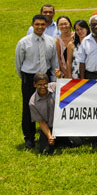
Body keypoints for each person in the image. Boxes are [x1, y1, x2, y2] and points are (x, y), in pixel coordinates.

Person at [15, 14, 59, 149]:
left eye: (42, 24)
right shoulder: (23, 42)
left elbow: (54, 62)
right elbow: (18, 63)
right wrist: (26, 79)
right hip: (29, 78)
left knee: (47, 107)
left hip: (45, 79)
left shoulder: (51, 41)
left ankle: (46, 134)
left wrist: (53, 79)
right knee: (29, 108)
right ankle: (29, 137)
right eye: (37, 24)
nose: (40, 27)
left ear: (46, 26)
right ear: (32, 25)